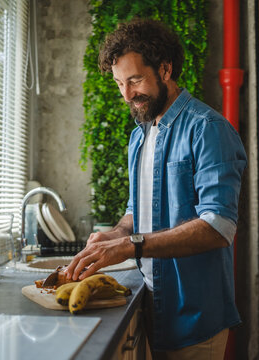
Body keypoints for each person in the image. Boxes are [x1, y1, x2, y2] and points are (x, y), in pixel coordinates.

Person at [65, 18, 247, 359]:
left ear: (165, 69)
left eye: (135, 80)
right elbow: (138, 209)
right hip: (150, 304)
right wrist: (115, 234)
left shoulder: (208, 129)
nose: (127, 95)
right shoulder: (140, 136)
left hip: (194, 316)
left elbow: (218, 227)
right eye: (120, 84)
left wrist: (128, 247)